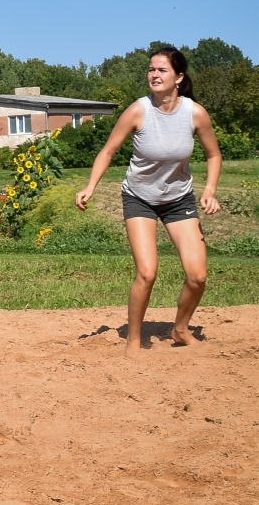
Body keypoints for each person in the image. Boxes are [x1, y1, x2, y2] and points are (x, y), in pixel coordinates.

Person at [76, 47, 221, 355]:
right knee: (147, 272)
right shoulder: (138, 110)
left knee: (197, 276)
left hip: (178, 199)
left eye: (162, 70)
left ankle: (180, 329)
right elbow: (108, 151)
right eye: (151, 70)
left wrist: (209, 190)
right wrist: (90, 186)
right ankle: (133, 340)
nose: (154, 75)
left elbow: (213, 154)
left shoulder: (194, 113)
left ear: (179, 77)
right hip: (139, 198)